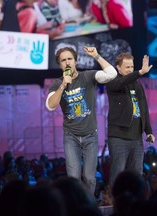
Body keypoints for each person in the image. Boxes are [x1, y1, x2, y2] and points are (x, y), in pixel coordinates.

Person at [45, 45, 117, 195]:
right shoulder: (57, 83)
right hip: (71, 137)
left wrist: (97, 56)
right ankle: (76, 207)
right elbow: (51, 105)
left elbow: (111, 74)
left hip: (90, 135)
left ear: (76, 61)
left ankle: (88, 206)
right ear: (60, 65)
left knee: (90, 178)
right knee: (73, 178)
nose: (67, 62)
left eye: (70, 59)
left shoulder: (88, 76)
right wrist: (63, 85)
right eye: (63, 60)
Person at [105, 53, 155, 188]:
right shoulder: (113, 82)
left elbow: (144, 109)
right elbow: (121, 82)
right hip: (119, 137)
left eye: (132, 67)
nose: (130, 70)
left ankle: (135, 206)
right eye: (127, 67)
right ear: (118, 68)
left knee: (137, 176)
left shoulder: (137, 86)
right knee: (118, 175)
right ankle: (117, 205)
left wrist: (148, 131)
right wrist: (139, 72)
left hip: (136, 138)